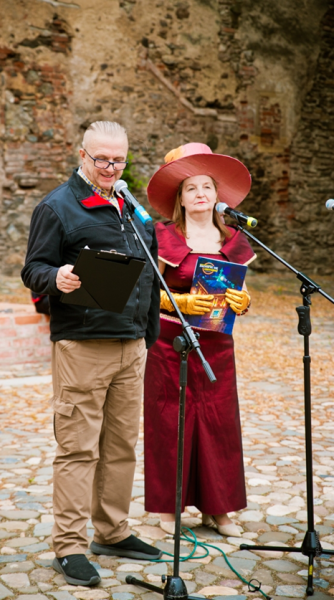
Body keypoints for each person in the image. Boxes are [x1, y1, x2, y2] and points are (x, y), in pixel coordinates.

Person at [21, 121, 161, 587]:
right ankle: (70, 547)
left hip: (130, 343)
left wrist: (148, 334)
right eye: (101, 159)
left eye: (118, 160)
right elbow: (33, 269)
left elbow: (149, 274)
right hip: (82, 344)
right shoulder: (57, 207)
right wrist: (54, 277)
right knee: (78, 449)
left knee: (120, 447)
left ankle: (113, 531)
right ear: (82, 154)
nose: (109, 168)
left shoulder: (131, 208)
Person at [144, 143, 256, 537]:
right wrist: (179, 301)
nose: (200, 195)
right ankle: (168, 508)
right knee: (168, 424)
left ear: (217, 195)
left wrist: (243, 302)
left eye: (207, 187)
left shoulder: (235, 241)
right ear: (180, 198)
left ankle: (219, 508)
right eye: (191, 188)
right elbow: (142, 292)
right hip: (170, 344)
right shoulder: (162, 237)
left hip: (217, 345)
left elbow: (238, 293)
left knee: (218, 424)